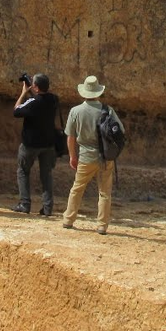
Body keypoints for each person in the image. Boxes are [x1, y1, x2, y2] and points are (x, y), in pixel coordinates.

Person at [62, 76, 123, 235]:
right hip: (104, 157)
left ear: (84, 92)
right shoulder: (107, 110)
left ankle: (68, 219)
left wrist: (72, 156)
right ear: (98, 92)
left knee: (77, 188)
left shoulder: (75, 111)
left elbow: (70, 137)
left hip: (85, 157)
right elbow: (120, 131)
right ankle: (102, 225)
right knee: (104, 193)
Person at [11, 73, 60, 215]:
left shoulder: (33, 102)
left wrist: (23, 93)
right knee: (46, 175)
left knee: (23, 171)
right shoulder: (54, 100)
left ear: (36, 87)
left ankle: (24, 204)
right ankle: (47, 208)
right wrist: (33, 92)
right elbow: (41, 99)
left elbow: (16, 110)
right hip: (48, 144)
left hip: (30, 145)